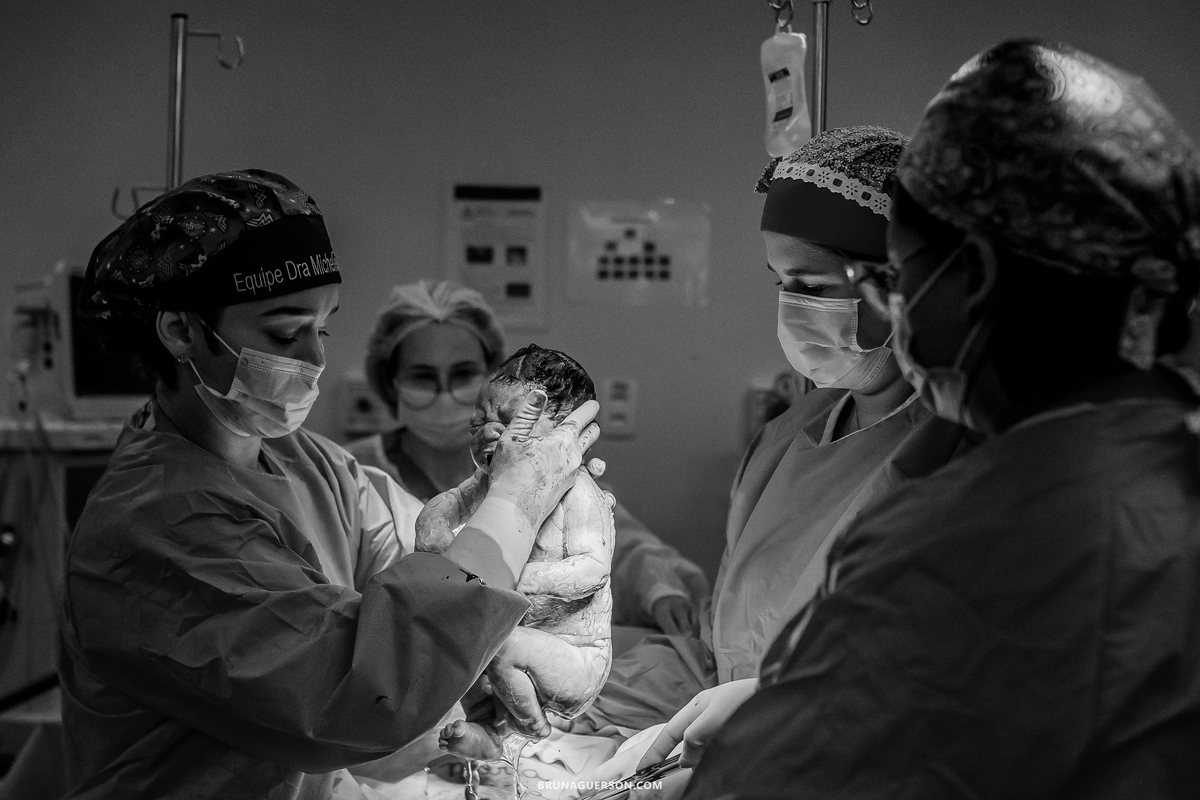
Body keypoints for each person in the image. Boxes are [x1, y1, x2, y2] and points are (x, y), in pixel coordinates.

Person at [672, 40, 1200, 798]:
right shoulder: (1157, 453)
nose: (897, 310)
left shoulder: (986, 534)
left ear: (976, 279)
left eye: (905, 277)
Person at [58, 169, 599, 799]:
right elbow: (362, 689)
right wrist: (514, 499)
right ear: (180, 330)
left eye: (324, 329)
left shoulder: (311, 466)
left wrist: (549, 509)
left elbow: (426, 565)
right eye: (285, 333)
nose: (315, 360)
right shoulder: (156, 525)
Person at [569, 126, 969, 735]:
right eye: (780, 284)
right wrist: (588, 702)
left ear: (900, 287)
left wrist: (762, 719)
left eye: (811, 287)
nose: (790, 306)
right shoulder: (790, 436)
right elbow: (722, 650)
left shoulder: (950, 451)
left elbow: (930, 682)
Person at [348, 280, 710, 639]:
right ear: (390, 380)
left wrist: (662, 591)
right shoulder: (352, 474)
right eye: (422, 377)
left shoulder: (541, 463)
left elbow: (619, 547)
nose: (445, 392)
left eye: (463, 374)